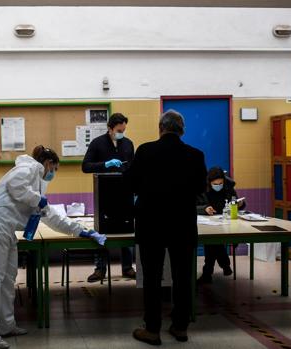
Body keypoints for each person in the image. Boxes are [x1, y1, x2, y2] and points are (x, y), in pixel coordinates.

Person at [0, 145, 106, 349]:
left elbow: (52, 217)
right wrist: (38, 199)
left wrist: (80, 231)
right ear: (47, 163)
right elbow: (15, 186)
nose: (53, 173)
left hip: (3, 225)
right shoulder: (29, 168)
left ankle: (5, 324)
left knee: (8, 278)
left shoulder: (35, 183)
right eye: (54, 169)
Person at [128, 110, 207, 345]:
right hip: (182, 223)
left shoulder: (145, 151)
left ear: (161, 128)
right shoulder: (195, 155)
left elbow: (132, 184)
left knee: (152, 278)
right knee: (183, 276)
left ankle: (152, 329)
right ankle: (180, 327)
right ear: (181, 130)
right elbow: (200, 189)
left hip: (151, 223)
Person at [82, 112, 136, 282]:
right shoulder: (98, 143)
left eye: (124, 130)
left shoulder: (128, 144)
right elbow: (86, 166)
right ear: (110, 128)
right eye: (119, 130)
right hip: (104, 194)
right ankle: (100, 269)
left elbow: (133, 168)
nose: (121, 133)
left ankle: (127, 267)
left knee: (126, 228)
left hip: (125, 192)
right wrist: (105, 164)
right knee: (102, 230)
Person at [196, 167, 246, 284]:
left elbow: (235, 202)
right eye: (215, 184)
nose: (218, 186)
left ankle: (207, 273)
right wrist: (204, 208)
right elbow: (193, 207)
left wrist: (240, 204)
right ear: (209, 182)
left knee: (213, 243)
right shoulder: (201, 188)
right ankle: (224, 264)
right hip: (208, 221)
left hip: (225, 221)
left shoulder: (228, 187)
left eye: (220, 183)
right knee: (213, 242)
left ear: (224, 181)